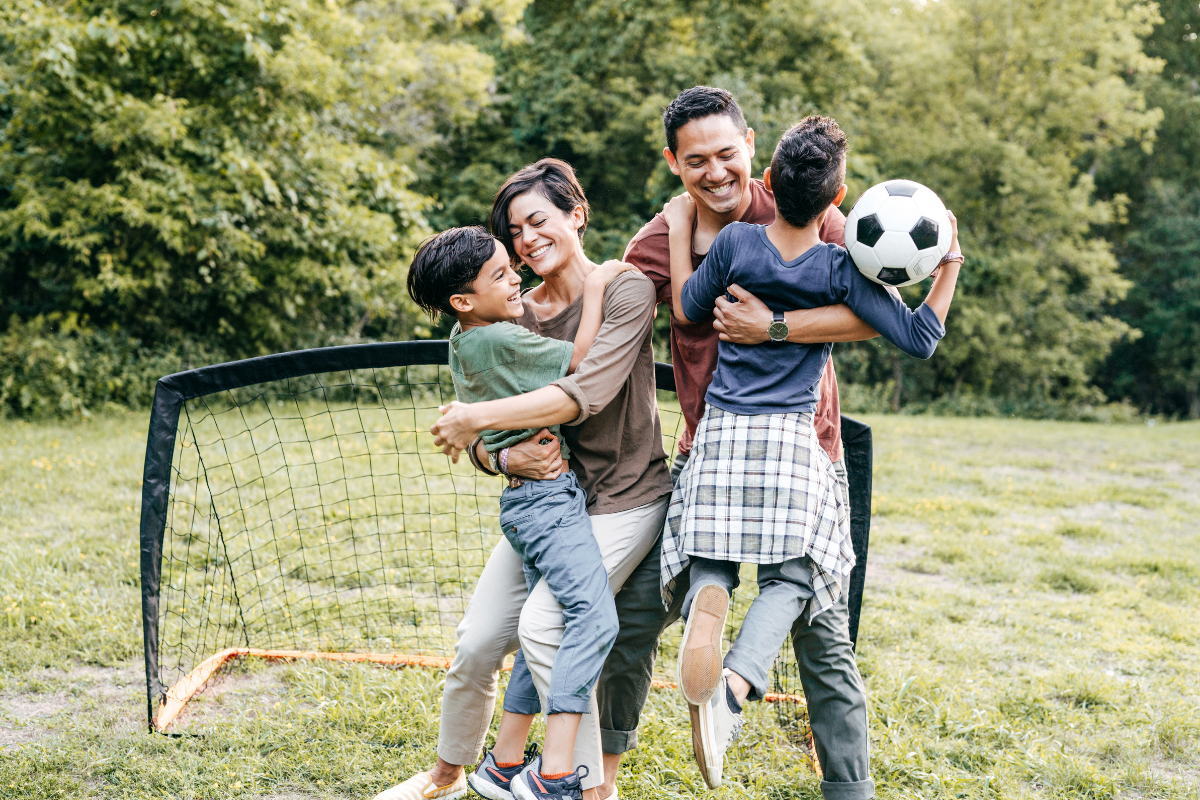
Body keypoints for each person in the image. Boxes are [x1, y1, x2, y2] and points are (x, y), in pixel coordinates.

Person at [663, 115, 964, 792]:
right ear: (840, 199)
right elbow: (918, 337)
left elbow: (685, 304)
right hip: (792, 442)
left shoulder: (737, 242)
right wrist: (946, 264)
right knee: (800, 577)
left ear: (767, 180)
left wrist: (683, 226)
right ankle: (737, 681)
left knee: (714, 556)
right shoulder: (839, 265)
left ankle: (709, 594)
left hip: (720, 431)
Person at [372, 158, 672, 800]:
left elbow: (583, 391)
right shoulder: (511, 310)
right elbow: (486, 438)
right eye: (515, 232)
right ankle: (451, 774)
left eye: (539, 220)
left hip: (623, 496)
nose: (527, 240)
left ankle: (584, 787)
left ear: (576, 215)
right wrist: (502, 459)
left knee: (550, 625)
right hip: (546, 501)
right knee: (478, 643)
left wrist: (476, 419)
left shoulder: (624, 288)